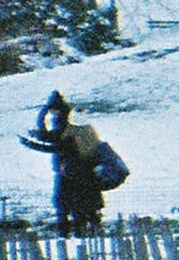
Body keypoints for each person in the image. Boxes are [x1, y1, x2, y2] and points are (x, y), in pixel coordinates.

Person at [20, 90, 124, 233]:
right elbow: (49, 138)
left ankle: (73, 238)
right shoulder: (80, 132)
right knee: (86, 212)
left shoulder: (68, 134)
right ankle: (90, 235)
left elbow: (53, 144)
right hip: (84, 177)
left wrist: (31, 141)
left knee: (69, 211)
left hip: (72, 178)